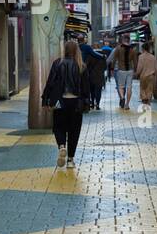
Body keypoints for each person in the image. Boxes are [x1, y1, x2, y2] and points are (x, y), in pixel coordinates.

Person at [41, 39, 87, 168]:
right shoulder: (81, 65)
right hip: (76, 103)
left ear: (64, 50)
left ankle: (61, 145)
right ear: (77, 51)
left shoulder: (57, 63)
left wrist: (45, 100)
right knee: (74, 130)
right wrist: (86, 103)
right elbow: (86, 87)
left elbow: (50, 83)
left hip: (60, 102)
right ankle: (71, 160)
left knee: (58, 126)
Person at [81, 40, 108, 110]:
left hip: (91, 76)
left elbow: (86, 65)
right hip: (99, 76)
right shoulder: (103, 55)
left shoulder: (90, 55)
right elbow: (105, 67)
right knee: (98, 91)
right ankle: (98, 104)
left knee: (92, 90)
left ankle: (92, 103)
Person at [109, 41, 135, 109]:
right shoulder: (132, 50)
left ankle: (122, 98)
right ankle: (127, 104)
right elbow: (135, 61)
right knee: (129, 87)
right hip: (130, 70)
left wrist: (112, 68)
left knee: (120, 86)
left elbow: (114, 59)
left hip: (121, 70)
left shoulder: (118, 49)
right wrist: (136, 71)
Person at [134, 41, 157, 108]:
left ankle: (144, 98)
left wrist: (137, 74)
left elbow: (140, 67)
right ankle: (148, 103)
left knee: (142, 88)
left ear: (143, 49)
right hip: (151, 75)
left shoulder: (141, 57)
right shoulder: (153, 57)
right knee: (149, 89)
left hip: (143, 76)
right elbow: (156, 66)